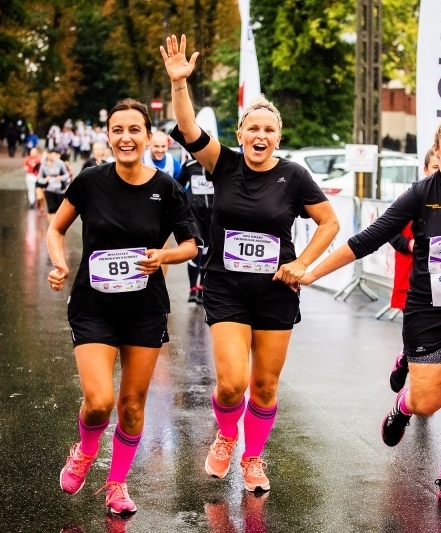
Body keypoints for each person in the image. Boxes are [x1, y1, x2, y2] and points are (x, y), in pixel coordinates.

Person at [300, 113, 441, 510]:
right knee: (429, 401)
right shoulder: (419, 193)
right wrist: (311, 273)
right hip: (428, 310)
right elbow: (368, 240)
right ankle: (403, 405)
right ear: (438, 149)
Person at [162, 34, 339, 492]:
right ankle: (225, 437)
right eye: (252, 129)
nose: (260, 136)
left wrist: (303, 264)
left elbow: (329, 223)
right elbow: (189, 131)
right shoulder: (224, 164)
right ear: (240, 134)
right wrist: (180, 85)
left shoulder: (294, 176)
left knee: (263, 387)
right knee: (230, 384)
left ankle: (254, 458)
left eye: (268, 130)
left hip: (276, 291)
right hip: (226, 287)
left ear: (278, 137)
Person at [47, 98, 199, 515]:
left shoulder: (166, 188)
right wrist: (59, 263)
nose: (126, 137)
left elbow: (190, 244)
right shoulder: (90, 181)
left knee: (132, 405)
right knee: (99, 401)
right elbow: (56, 229)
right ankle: (84, 450)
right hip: (93, 305)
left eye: (135, 129)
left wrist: (163, 257)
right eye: (118, 130)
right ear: (108, 135)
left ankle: (116, 484)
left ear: (149, 136)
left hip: (145, 309)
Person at [388, 148, 440, 392]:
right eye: (436, 168)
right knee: (417, 330)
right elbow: (389, 232)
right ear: (426, 170)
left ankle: (417, 372)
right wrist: (409, 244)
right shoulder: (410, 198)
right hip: (412, 274)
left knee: (435, 332)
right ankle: (407, 359)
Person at [176, 153, 214, 304]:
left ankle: (203, 288)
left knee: (208, 252)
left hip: (212, 215)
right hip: (195, 214)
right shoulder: (189, 165)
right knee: (196, 250)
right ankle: (193, 289)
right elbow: (178, 185)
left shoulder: (217, 166)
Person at [37, 148, 70, 220]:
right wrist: (45, 180)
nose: (52, 156)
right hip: (49, 189)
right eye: (50, 154)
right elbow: (39, 178)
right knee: (51, 208)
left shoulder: (60, 163)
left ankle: (58, 225)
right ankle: (51, 226)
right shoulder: (43, 165)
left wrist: (61, 177)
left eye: (53, 154)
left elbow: (67, 174)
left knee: (59, 209)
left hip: (59, 188)